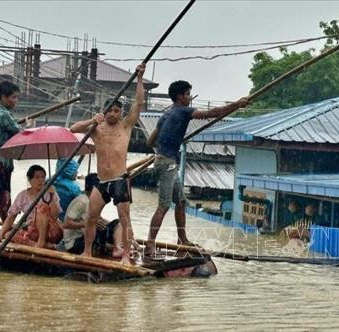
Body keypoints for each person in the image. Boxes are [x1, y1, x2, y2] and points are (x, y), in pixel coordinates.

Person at [144, 80, 249, 256]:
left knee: (181, 201)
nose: (190, 98)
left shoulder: (165, 116)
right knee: (163, 205)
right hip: (167, 164)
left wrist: (171, 140)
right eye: (187, 94)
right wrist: (237, 104)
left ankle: (182, 239)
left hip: (166, 162)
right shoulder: (184, 111)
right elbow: (213, 113)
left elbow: (150, 142)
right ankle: (150, 244)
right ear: (180, 97)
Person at [70, 63, 145, 265]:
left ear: (121, 112)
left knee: (124, 218)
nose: (113, 114)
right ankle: (87, 251)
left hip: (120, 179)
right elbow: (73, 129)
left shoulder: (126, 125)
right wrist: (91, 121)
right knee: (91, 217)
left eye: (116, 110)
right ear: (105, 112)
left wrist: (139, 78)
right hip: (101, 180)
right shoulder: (97, 127)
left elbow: (138, 103)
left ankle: (126, 256)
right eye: (110, 110)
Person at [0, 81, 33, 237]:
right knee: (1, 200)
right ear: (3, 97)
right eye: (13, 97)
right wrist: (28, 125)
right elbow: (21, 135)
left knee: (6, 200)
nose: (15, 101)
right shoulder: (3, 114)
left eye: (17, 97)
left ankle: (6, 231)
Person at [0, 165, 63, 249]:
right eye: (37, 177)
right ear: (30, 180)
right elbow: (11, 217)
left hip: (51, 231)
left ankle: (41, 242)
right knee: (8, 235)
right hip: (33, 231)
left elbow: (55, 216)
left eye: (43, 177)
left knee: (42, 208)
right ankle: (42, 246)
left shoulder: (50, 193)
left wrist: (52, 195)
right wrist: (0, 235)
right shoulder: (22, 195)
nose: (41, 180)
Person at [57, 173, 123, 258]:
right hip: (74, 243)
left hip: (85, 236)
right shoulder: (81, 201)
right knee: (96, 230)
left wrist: (117, 228)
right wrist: (88, 224)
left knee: (118, 223)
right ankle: (108, 249)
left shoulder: (94, 202)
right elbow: (66, 224)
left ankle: (117, 248)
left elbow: (99, 220)